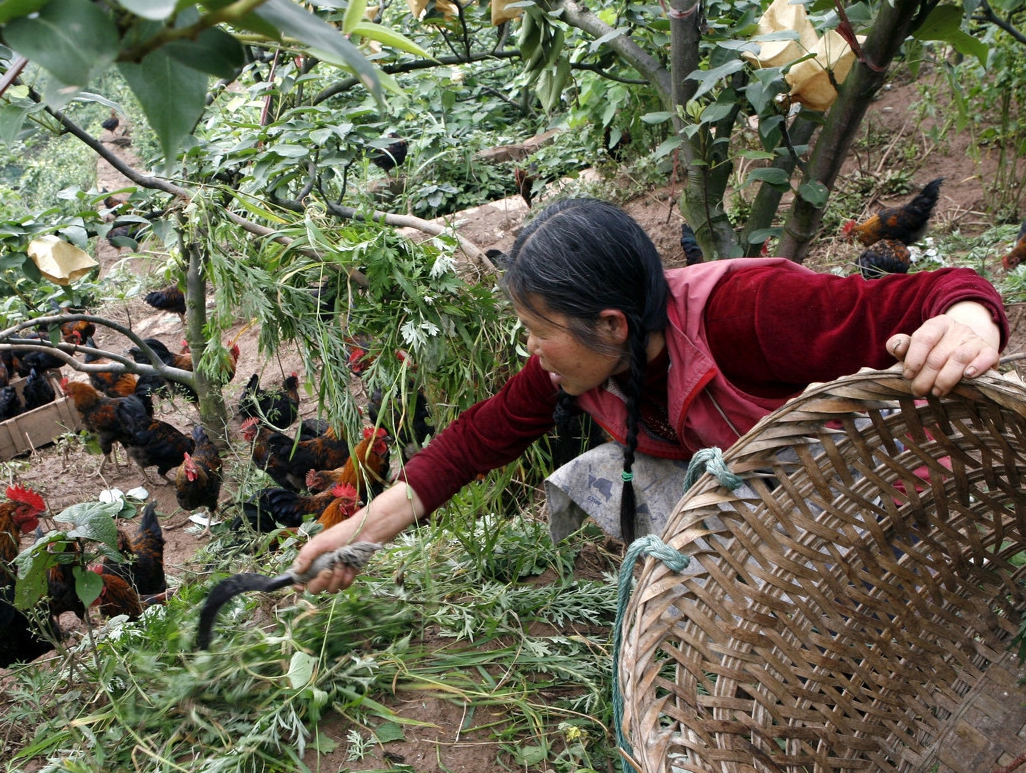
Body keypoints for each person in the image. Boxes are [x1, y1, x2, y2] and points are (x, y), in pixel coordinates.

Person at [295, 198, 1008, 593]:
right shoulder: (586, 364)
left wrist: (968, 321)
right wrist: (355, 539)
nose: (531, 352)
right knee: (594, 471)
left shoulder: (746, 311)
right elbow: (472, 442)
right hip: (781, 490)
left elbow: (929, 294)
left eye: (539, 332)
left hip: (878, 485)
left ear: (610, 323)